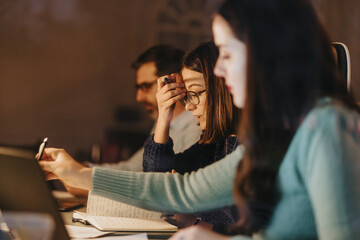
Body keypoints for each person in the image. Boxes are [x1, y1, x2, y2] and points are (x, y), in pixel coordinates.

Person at [39, 0, 360, 239]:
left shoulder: (326, 127)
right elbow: (186, 191)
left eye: (228, 55)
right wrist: (79, 173)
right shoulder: (276, 133)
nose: (220, 71)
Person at [143, 41, 240, 232]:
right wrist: (164, 116)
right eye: (187, 96)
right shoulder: (214, 145)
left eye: (195, 93)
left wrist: (191, 222)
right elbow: (156, 180)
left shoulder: (248, 147)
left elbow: (237, 222)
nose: (188, 106)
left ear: (222, 87)